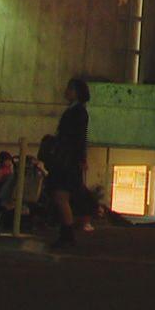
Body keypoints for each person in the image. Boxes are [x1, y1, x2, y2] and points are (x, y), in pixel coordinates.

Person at [48, 78, 91, 248]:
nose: (66, 91)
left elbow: (79, 138)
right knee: (62, 196)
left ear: (75, 92)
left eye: (69, 89)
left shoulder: (77, 112)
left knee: (61, 196)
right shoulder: (77, 111)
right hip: (69, 159)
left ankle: (67, 233)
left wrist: (80, 157)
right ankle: (66, 233)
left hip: (67, 160)